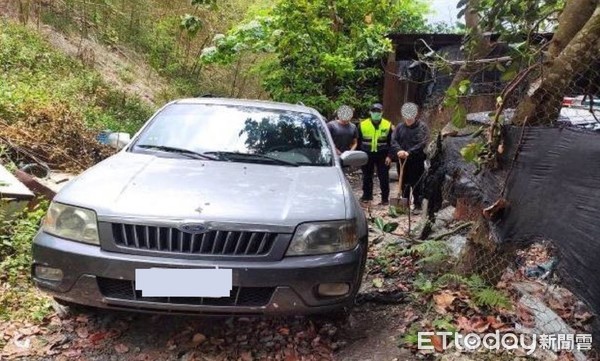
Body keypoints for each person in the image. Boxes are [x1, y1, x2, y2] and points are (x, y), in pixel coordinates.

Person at [391, 102, 429, 212]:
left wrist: (409, 152)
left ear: (415, 113)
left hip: (416, 160)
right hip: (402, 160)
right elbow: (394, 140)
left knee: (416, 183)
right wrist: (399, 151)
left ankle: (417, 205)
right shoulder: (399, 127)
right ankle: (404, 205)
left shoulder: (422, 127)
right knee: (403, 183)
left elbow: (422, 143)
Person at [357, 103, 393, 205]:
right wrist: (359, 156)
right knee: (367, 176)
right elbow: (358, 142)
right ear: (370, 112)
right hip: (366, 154)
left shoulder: (388, 125)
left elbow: (392, 143)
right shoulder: (363, 125)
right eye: (374, 111)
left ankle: (385, 199)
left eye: (378, 111)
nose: (376, 113)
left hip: (382, 155)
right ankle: (367, 196)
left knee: (384, 177)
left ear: (382, 112)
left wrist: (390, 156)